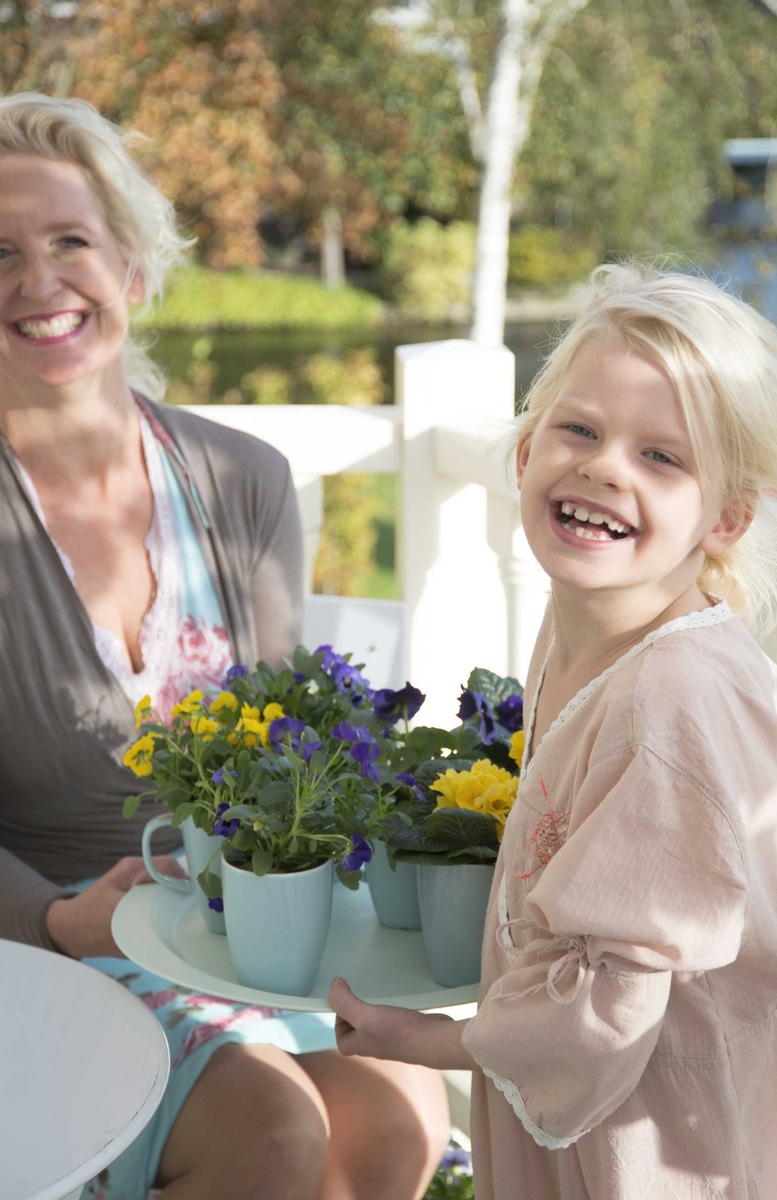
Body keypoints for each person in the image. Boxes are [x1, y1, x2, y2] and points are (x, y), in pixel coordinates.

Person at [0, 91, 450, 1200]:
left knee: (401, 1111)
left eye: (71, 242)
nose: (39, 281)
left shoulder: (241, 480)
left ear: (133, 270)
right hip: (35, 943)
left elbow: (299, 752)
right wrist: (60, 919)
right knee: (271, 1132)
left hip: (227, 928)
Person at [329, 262, 777, 1199]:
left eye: (661, 457)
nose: (603, 466)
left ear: (728, 516)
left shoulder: (672, 698)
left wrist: (431, 1040)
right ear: (523, 450)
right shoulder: (594, 622)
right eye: (578, 429)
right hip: (601, 1110)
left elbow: (611, 1006)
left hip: (650, 1140)